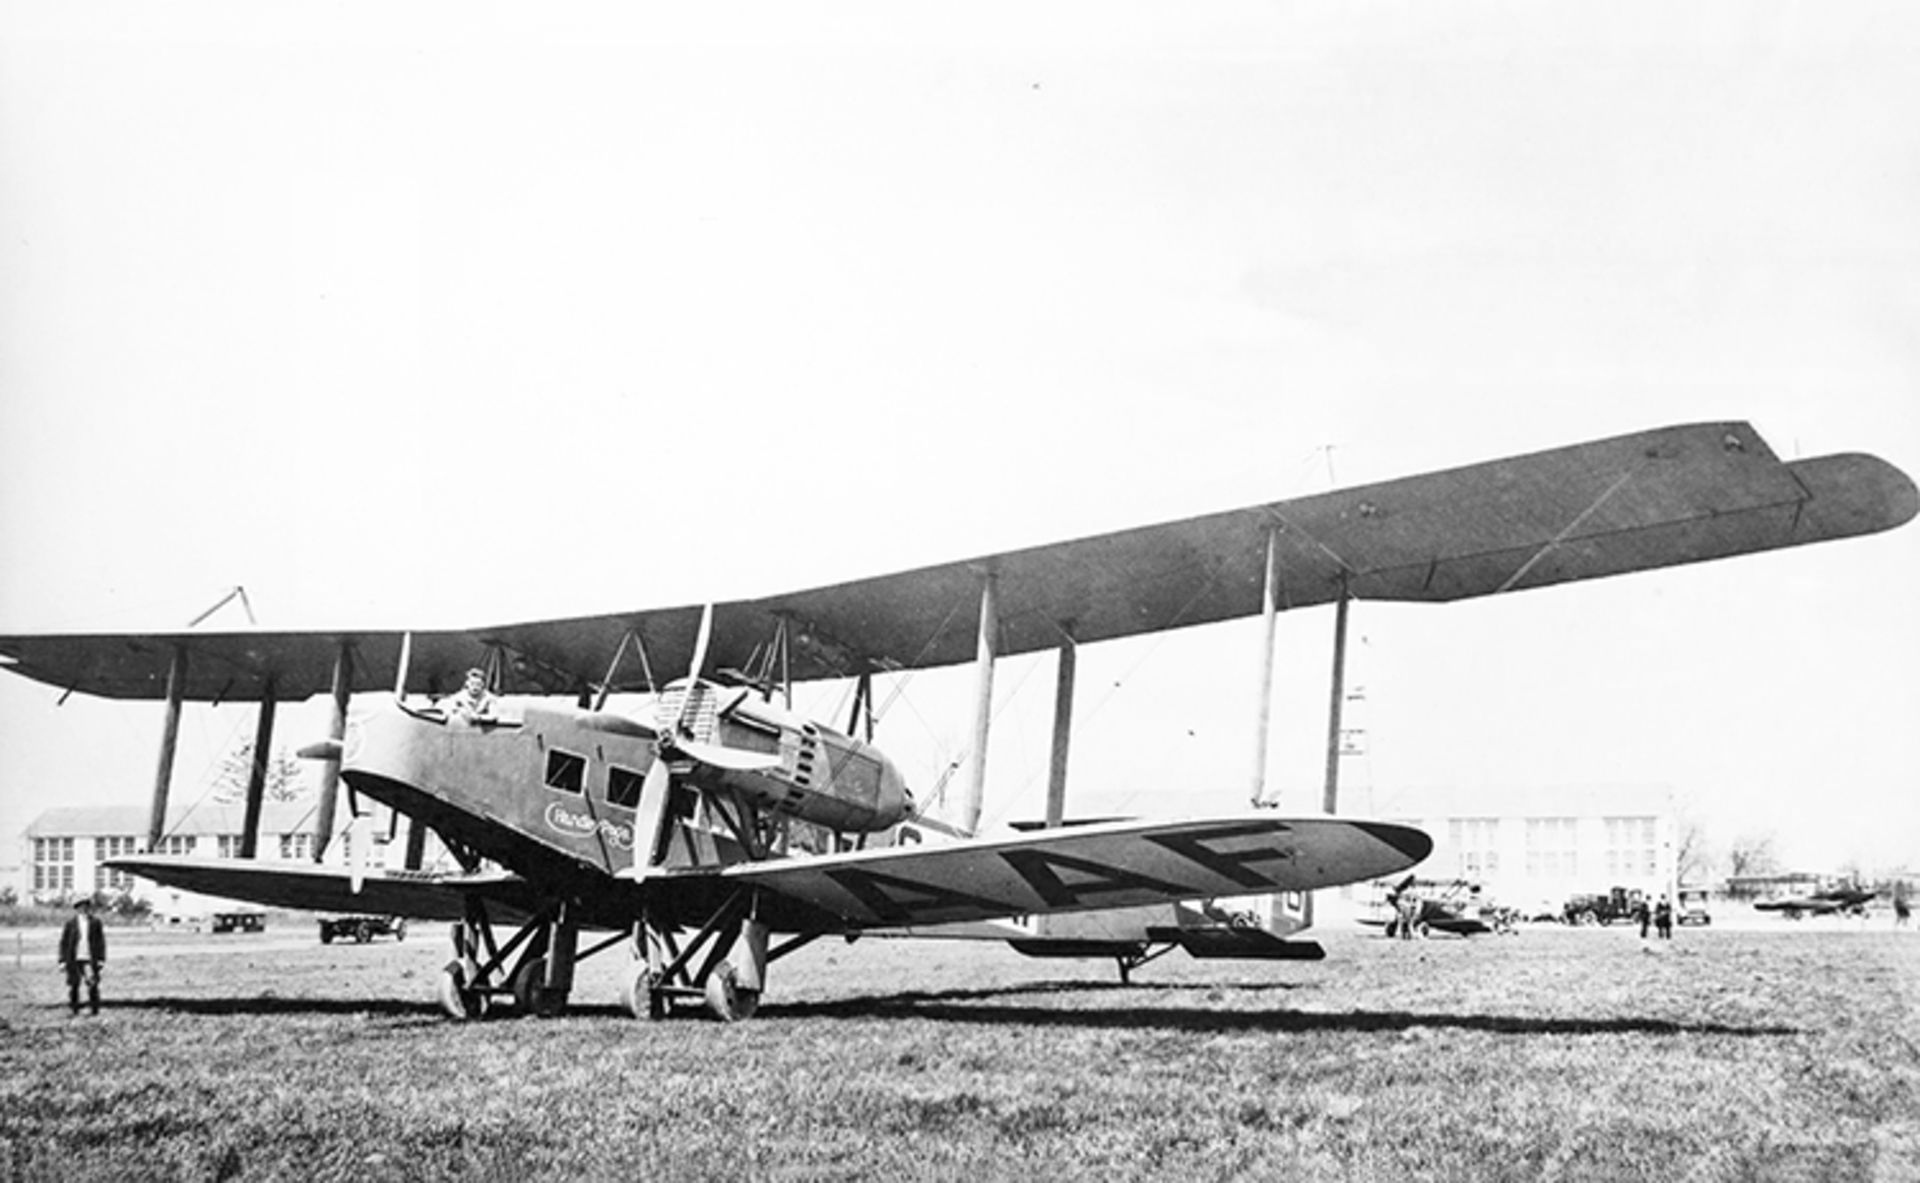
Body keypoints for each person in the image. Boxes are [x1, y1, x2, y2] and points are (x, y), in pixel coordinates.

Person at [58, 898, 107, 1015]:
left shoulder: (95, 922)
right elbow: (64, 942)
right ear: (76, 909)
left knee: (92, 983)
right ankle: (74, 1008)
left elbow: (101, 941)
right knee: (74, 984)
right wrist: (62, 960)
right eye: (80, 907)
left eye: (86, 906)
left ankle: (94, 1009)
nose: (83, 909)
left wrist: (101, 958)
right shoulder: (70, 924)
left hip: (89, 958)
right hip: (74, 958)